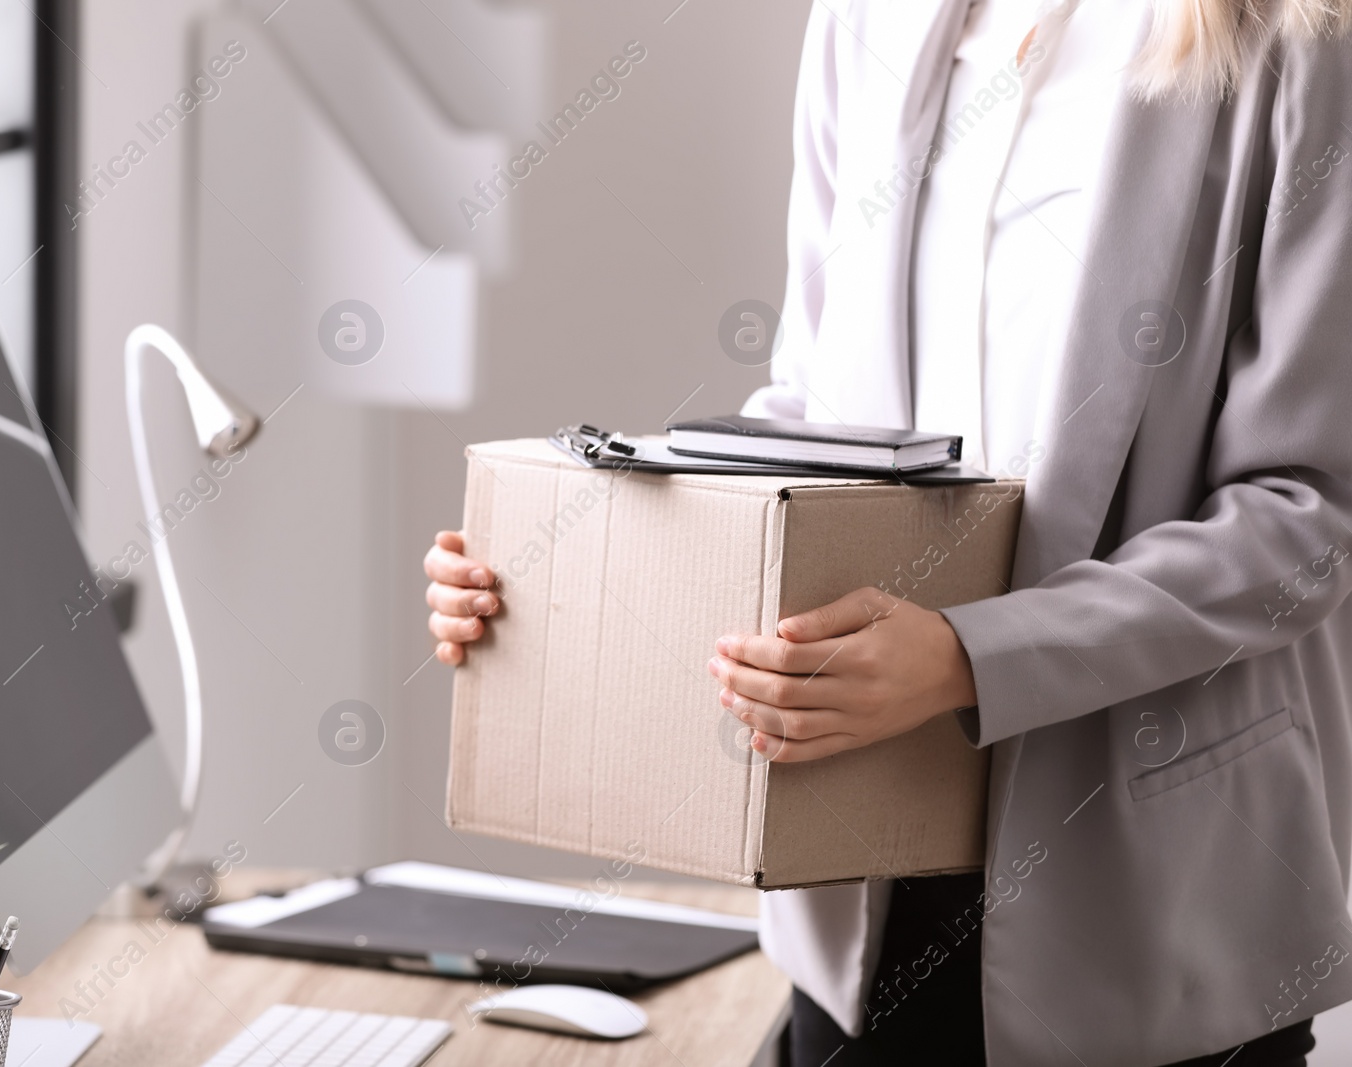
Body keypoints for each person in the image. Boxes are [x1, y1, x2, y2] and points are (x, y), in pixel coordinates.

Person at [424, 0, 1352, 1062]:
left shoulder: (1303, 39)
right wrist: (553, 571)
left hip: (1145, 910)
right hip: (861, 874)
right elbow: (815, 416)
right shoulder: (866, 18)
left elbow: (1309, 510)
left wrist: (972, 654)